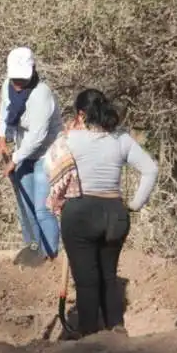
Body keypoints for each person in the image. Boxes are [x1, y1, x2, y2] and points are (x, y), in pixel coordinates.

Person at [52, 89, 158, 337]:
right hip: (115, 213)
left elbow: (53, 175)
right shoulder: (121, 139)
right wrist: (133, 204)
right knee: (109, 276)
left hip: (80, 213)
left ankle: (90, 337)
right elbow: (151, 170)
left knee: (87, 281)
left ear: (80, 114)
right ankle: (116, 330)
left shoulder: (67, 140)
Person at [0, 46, 63, 265]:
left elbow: (38, 135)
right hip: (23, 153)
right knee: (25, 206)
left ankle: (51, 254)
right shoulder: (8, 86)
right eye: (15, 78)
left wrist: (14, 159)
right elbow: (4, 112)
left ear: (33, 70)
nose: (18, 83)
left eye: (22, 78)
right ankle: (34, 249)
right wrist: (1, 138)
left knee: (42, 208)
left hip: (46, 154)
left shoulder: (41, 94)